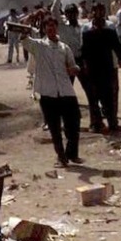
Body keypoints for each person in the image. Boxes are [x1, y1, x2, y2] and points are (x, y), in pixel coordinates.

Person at [17, 16, 82, 167]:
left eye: (53, 25)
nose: (51, 28)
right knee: (54, 128)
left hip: (66, 91)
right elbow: (24, 39)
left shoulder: (64, 48)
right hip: (48, 93)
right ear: (44, 29)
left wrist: (74, 69)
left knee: (73, 123)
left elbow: (73, 65)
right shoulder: (39, 46)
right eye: (48, 26)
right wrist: (27, 21)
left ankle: (72, 154)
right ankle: (61, 157)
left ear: (57, 28)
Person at [81, 3, 121, 132]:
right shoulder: (86, 31)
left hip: (107, 67)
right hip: (92, 68)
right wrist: (85, 66)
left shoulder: (110, 30)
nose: (99, 13)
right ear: (92, 12)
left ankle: (113, 123)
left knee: (109, 97)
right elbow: (84, 50)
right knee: (93, 97)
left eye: (101, 10)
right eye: (96, 11)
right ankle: (96, 124)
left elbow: (117, 47)